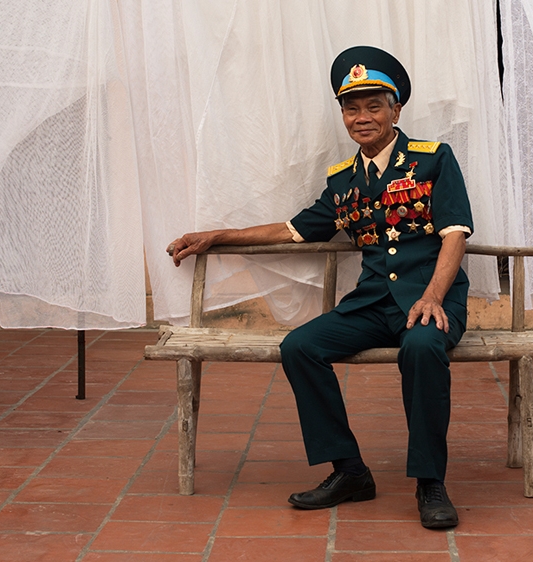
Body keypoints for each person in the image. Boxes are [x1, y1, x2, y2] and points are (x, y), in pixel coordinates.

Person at [167, 46, 473, 530]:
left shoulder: (433, 160)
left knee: (421, 348)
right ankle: (349, 471)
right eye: (352, 108)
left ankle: (430, 482)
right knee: (301, 346)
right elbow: (292, 229)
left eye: (374, 105)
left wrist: (434, 296)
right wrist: (217, 235)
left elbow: (454, 233)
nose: (362, 117)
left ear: (397, 109)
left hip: (431, 300)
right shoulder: (343, 181)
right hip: (373, 303)